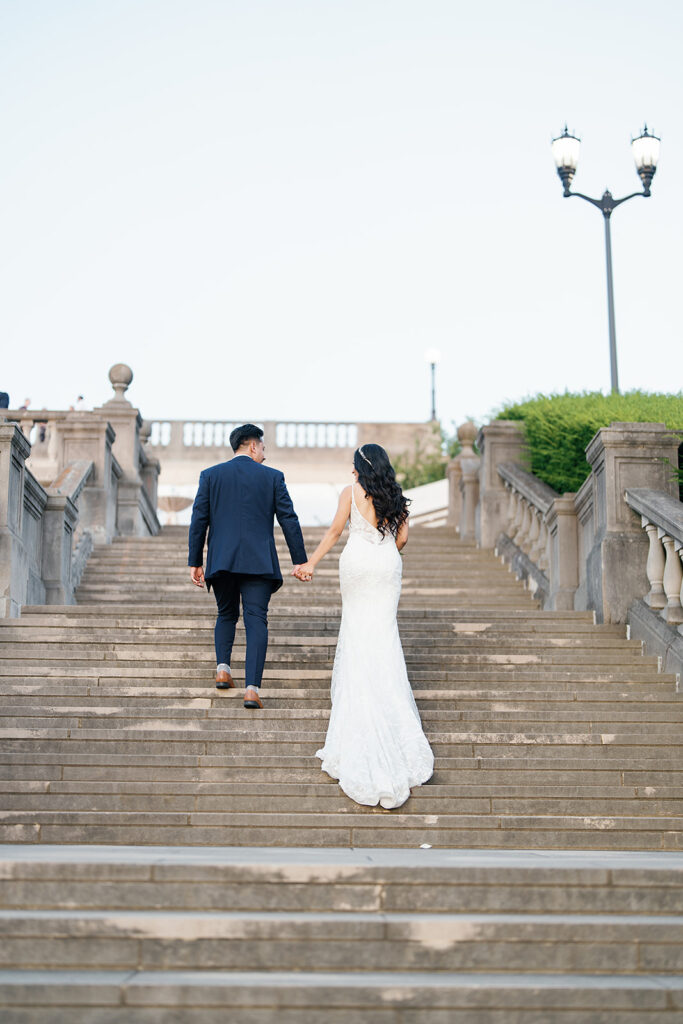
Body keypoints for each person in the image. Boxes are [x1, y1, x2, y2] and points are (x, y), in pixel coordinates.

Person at [294, 444, 434, 809]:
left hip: (357, 564)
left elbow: (335, 531)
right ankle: (392, 713)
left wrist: (311, 563)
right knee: (383, 635)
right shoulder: (398, 497)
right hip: (386, 564)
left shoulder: (349, 493)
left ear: (358, 468)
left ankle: (359, 715)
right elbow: (402, 541)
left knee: (357, 634)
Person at [188, 424, 308, 709]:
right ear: (253, 446)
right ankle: (252, 690)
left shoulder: (210, 476)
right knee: (256, 620)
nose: (265, 455)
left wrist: (195, 561)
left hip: (222, 560)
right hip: (259, 562)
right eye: (263, 448)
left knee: (226, 614)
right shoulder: (273, 477)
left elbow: (198, 520)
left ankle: (223, 669)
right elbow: (288, 519)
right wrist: (300, 559)